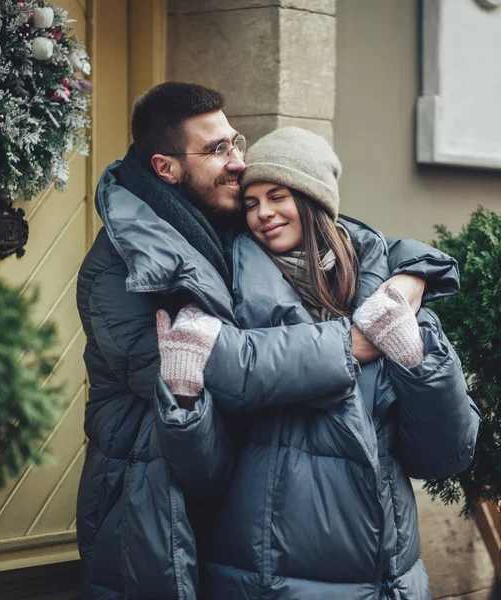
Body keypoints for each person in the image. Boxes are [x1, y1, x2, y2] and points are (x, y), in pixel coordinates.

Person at [76, 82, 462, 600]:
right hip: (153, 505)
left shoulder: (229, 222)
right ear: (166, 167)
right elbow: (222, 370)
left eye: (235, 141)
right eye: (217, 150)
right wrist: (349, 343)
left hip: (365, 557)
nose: (238, 162)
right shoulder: (127, 265)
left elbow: (351, 234)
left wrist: (413, 274)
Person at [156, 127, 480, 599]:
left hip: (387, 574)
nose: (263, 213)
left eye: (278, 196)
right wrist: (185, 401)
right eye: (250, 203)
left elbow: (443, 455)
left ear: (313, 199)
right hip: (266, 573)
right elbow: (203, 474)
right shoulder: (228, 297)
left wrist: (417, 363)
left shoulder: (390, 293)